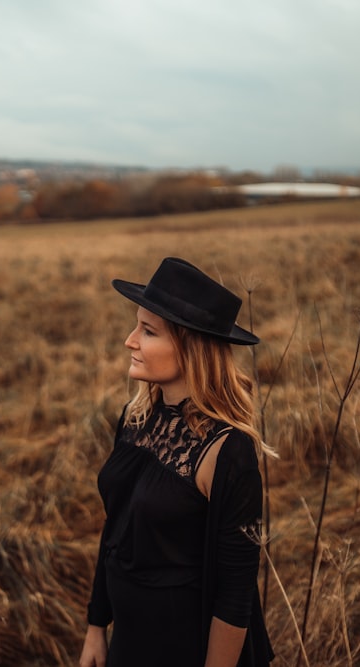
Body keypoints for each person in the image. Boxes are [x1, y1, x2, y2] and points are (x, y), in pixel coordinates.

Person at [79, 257, 275, 667]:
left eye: (148, 331)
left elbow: (234, 597)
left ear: (191, 348)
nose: (130, 341)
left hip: (182, 648)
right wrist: (97, 626)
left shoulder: (227, 452)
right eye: (136, 326)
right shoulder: (135, 420)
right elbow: (114, 529)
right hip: (127, 643)